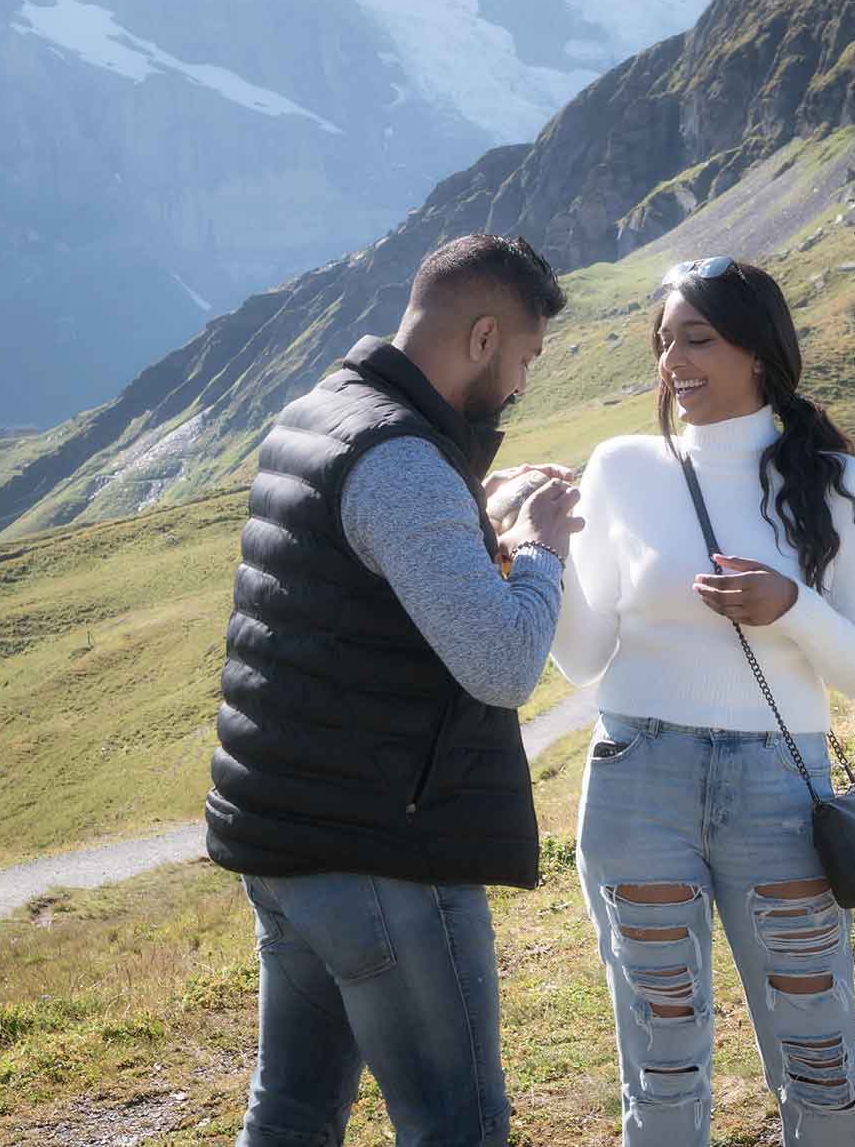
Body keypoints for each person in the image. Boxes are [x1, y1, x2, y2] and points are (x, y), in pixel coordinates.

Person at [204, 233, 582, 1147]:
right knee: (458, 1123)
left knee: (293, 1109)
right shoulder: (404, 462)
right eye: (526, 357)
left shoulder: (322, 412)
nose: (526, 382)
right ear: (484, 337)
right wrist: (539, 546)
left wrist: (469, 512)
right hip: (383, 854)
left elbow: (365, 583)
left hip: (286, 839)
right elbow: (500, 663)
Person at [552, 257, 855, 1145]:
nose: (675, 360)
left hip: (776, 793)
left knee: (819, 1062)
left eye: (698, 338)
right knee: (660, 1065)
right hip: (636, 780)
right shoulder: (623, 467)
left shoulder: (838, 485)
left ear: (759, 348)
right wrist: (541, 553)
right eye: (664, 341)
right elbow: (585, 659)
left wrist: (794, 608)